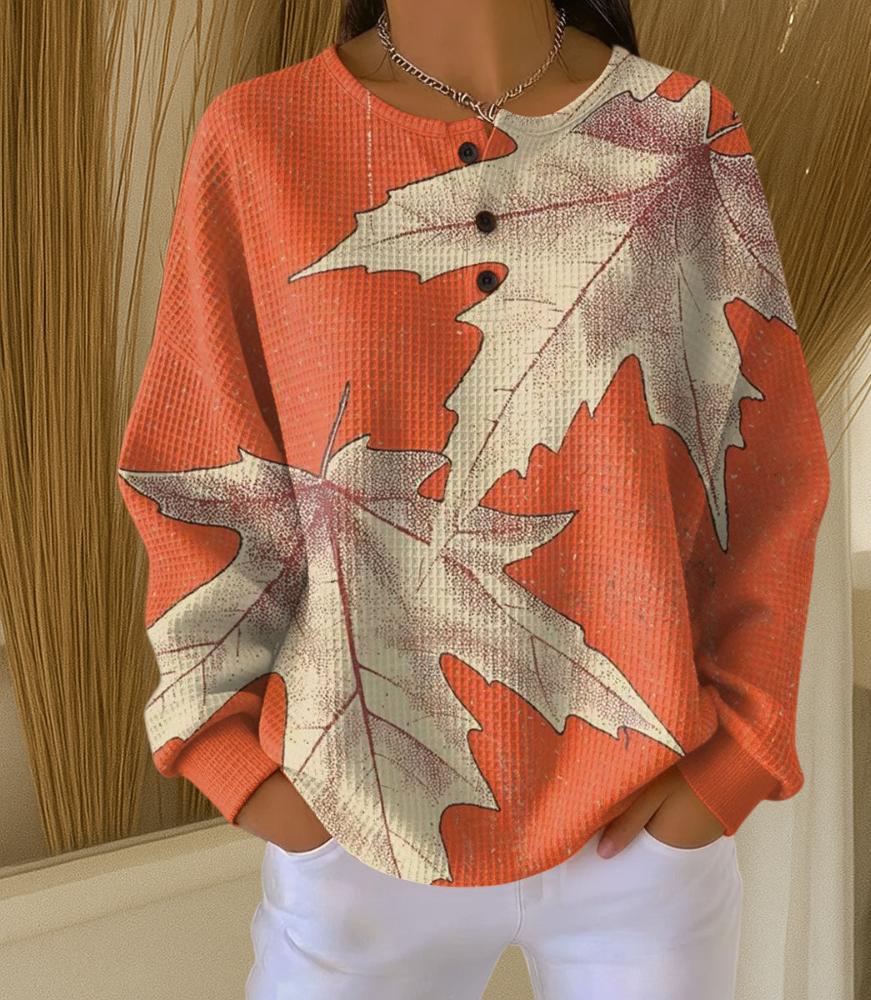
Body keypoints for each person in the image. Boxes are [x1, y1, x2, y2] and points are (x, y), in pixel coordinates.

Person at [116, 0, 831, 996]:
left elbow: (766, 473)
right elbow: (197, 465)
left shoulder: (681, 129)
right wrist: (237, 762)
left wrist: (737, 759)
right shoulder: (259, 139)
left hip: (640, 826)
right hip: (354, 820)